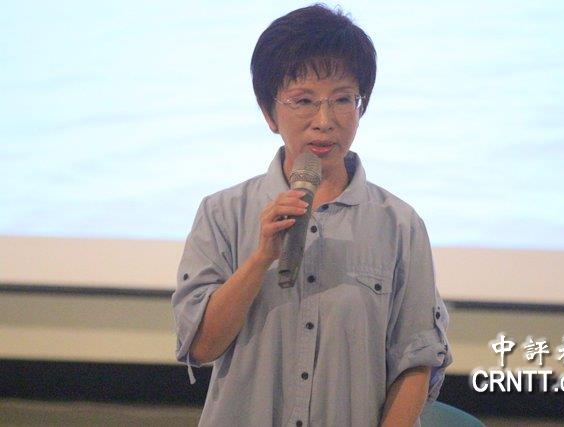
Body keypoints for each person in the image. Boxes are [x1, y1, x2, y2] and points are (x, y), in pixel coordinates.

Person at [171, 5, 452, 427]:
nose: (325, 121)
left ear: (360, 106)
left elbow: (416, 361)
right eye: (304, 100)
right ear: (269, 113)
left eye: (342, 99)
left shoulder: (400, 224)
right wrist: (260, 259)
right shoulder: (222, 213)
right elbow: (201, 347)